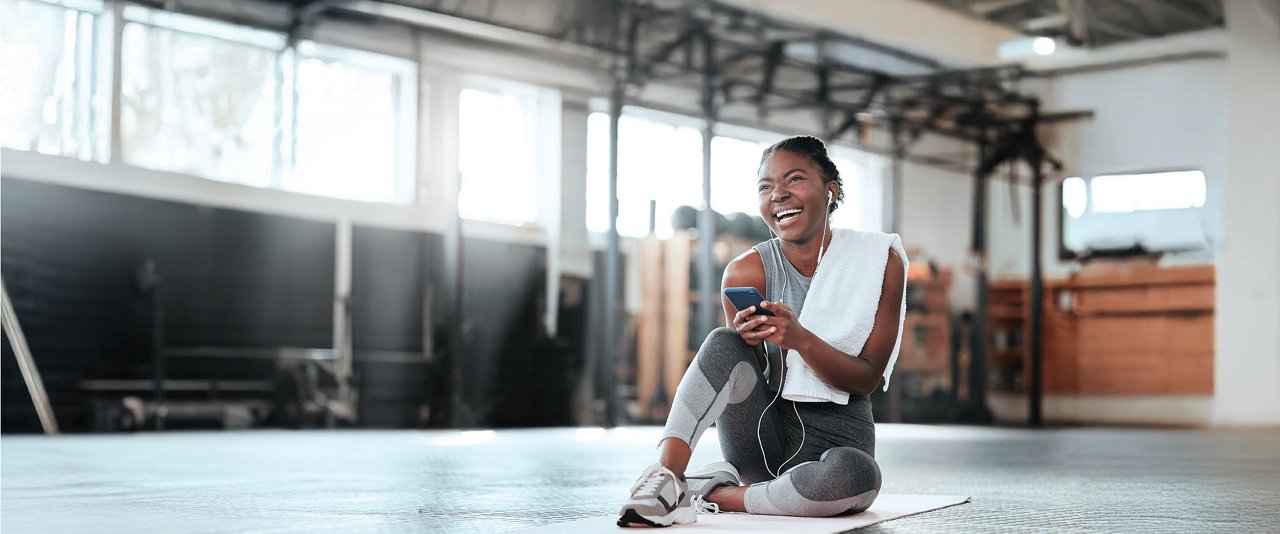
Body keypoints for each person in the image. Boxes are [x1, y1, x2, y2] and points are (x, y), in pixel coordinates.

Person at [618, 135, 906, 527]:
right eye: (765, 187)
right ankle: (666, 479)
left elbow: (867, 378)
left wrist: (800, 339)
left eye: (795, 180)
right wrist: (751, 345)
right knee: (724, 341)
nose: (779, 195)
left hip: (838, 446)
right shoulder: (745, 270)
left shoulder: (879, 261)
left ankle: (720, 494)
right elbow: (744, 379)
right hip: (762, 441)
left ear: (831, 190)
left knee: (859, 476)